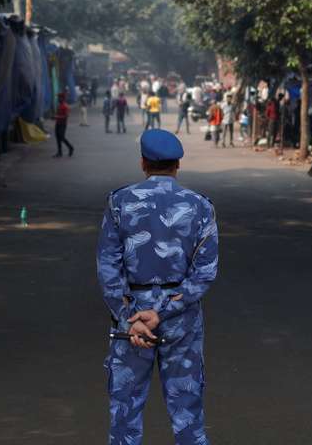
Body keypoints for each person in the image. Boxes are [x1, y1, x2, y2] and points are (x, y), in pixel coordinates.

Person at [98, 129, 219, 445]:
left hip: (132, 320)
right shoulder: (200, 206)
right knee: (187, 412)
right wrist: (165, 311)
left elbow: (108, 268)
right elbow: (204, 272)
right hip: (181, 320)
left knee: (125, 414)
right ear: (178, 165)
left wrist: (128, 317)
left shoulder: (119, 202)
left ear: (143, 163)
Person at [54, 92, 75, 158]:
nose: (58, 99)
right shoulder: (59, 105)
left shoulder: (65, 106)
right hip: (58, 123)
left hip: (62, 124)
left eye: (59, 97)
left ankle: (70, 147)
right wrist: (55, 117)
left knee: (62, 137)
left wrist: (57, 117)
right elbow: (58, 114)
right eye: (58, 97)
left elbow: (66, 116)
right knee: (58, 138)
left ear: (62, 98)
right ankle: (59, 152)